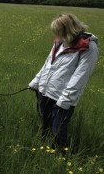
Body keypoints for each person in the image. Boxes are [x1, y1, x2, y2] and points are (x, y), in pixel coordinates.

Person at [29, 13, 98, 151]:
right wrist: (36, 82)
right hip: (44, 91)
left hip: (62, 97)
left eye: (59, 32)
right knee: (45, 125)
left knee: (58, 132)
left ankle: (61, 157)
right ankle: (44, 150)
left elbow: (80, 77)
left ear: (69, 30)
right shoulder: (59, 42)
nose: (57, 35)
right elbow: (47, 64)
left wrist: (65, 100)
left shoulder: (88, 47)